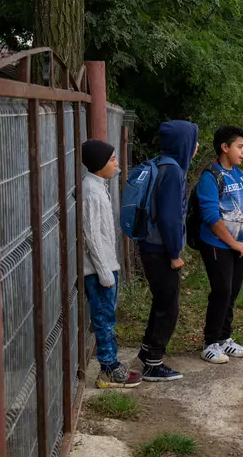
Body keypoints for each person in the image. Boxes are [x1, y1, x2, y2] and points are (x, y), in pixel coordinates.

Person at [137, 120, 199, 381]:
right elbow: (171, 218)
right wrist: (175, 253)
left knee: (162, 300)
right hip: (161, 249)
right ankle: (153, 363)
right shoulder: (173, 172)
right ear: (184, 143)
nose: (196, 147)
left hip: (149, 244)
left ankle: (146, 350)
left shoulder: (160, 162)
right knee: (169, 306)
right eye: (194, 141)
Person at [81, 139, 142, 388]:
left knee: (108, 316)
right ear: (99, 165)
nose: (116, 163)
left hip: (106, 266)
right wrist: (105, 272)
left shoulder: (98, 186)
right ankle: (108, 369)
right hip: (99, 270)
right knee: (104, 319)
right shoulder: (91, 193)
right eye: (112, 159)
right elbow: (91, 236)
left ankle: (111, 363)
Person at [196, 126, 243, 364]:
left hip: (240, 247)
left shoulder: (242, 176)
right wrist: (233, 243)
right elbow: (211, 217)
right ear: (225, 147)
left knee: (232, 292)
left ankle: (225, 338)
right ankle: (210, 342)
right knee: (221, 291)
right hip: (217, 245)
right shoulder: (210, 177)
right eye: (239, 147)